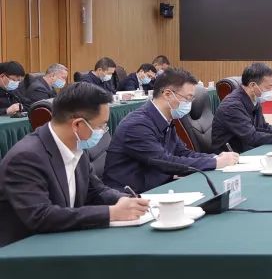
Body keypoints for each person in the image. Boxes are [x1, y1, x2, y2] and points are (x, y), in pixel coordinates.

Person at [0, 82, 150, 246]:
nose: (103, 130)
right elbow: (41, 216)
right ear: (77, 124)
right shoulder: (26, 157)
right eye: (101, 125)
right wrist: (111, 213)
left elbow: (96, 191)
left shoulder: (76, 147)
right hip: (25, 250)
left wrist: (129, 201)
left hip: (63, 240)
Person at [102, 69, 237, 194]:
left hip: (158, 187)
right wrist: (214, 163)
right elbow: (164, 161)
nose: (189, 103)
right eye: (188, 98)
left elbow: (182, 152)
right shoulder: (137, 125)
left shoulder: (165, 119)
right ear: (167, 94)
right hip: (131, 195)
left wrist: (214, 158)